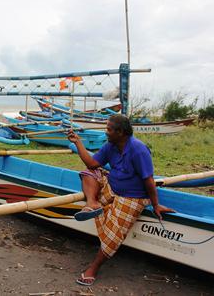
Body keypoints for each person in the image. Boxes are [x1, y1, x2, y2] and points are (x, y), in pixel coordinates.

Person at [68, 114, 174, 286]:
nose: (106, 132)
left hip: (133, 197)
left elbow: (148, 180)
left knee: (113, 236)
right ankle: (92, 203)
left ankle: (93, 268)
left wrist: (155, 205)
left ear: (121, 132)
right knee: (88, 174)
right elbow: (92, 164)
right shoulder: (111, 145)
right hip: (113, 186)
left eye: (109, 129)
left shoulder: (138, 150)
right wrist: (77, 142)